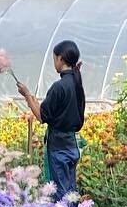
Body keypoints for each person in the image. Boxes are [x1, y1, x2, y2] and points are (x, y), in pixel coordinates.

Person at [17, 41, 86, 197]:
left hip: (58, 146)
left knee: (60, 193)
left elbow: (42, 116)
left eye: (54, 59)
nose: (54, 62)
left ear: (60, 59)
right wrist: (32, 100)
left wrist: (27, 94)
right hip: (72, 145)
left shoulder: (59, 86)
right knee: (70, 191)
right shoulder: (76, 84)